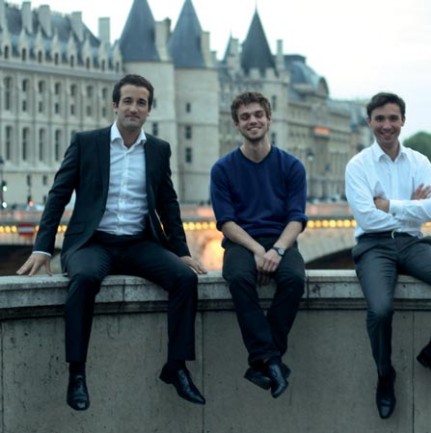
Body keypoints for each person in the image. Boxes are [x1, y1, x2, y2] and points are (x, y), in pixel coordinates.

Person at [17, 74, 207, 410]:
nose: (134, 108)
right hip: (92, 242)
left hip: (138, 243)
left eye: (141, 103)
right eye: (129, 101)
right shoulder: (87, 142)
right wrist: (43, 246)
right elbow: (58, 196)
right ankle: (77, 373)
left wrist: (182, 252)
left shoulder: (159, 150)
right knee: (85, 279)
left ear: (149, 110)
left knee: (184, 280)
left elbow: (168, 204)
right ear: (115, 105)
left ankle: (176, 367)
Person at [345, 92, 431, 419]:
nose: (387, 125)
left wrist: (392, 205)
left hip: (411, 243)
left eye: (393, 119)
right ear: (370, 122)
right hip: (374, 245)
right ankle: (385, 374)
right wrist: (413, 209)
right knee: (381, 310)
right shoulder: (358, 166)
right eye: (380, 119)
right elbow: (367, 218)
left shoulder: (419, 161)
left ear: (403, 121)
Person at [210, 92, 307, 399]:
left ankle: (263, 360)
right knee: (239, 278)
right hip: (242, 242)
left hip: (281, 239)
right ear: (237, 125)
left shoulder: (291, 166)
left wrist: (277, 250)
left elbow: (296, 218)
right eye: (245, 117)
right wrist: (256, 250)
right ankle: (273, 360)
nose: (252, 121)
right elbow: (226, 222)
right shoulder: (223, 169)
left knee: (293, 279)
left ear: (269, 118)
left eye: (257, 115)